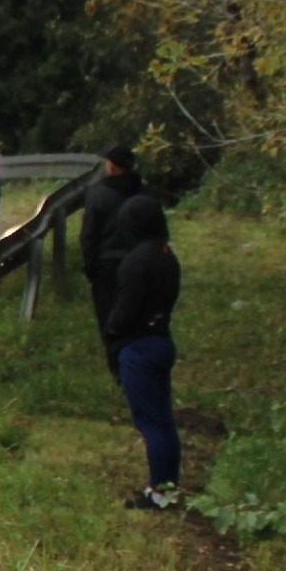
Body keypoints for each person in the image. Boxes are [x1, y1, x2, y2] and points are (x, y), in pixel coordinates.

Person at [106, 193, 182, 510]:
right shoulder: (167, 255)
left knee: (151, 424)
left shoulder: (136, 262)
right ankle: (168, 486)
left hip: (139, 348)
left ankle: (159, 492)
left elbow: (125, 311)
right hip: (161, 340)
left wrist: (112, 329)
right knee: (163, 421)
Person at [80, 143, 143, 370]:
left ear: (112, 167)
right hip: (138, 264)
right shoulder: (142, 193)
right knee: (136, 316)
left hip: (107, 266)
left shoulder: (98, 194)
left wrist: (90, 267)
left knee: (109, 318)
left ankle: (118, 367)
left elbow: (89, 235)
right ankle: (135, 361)